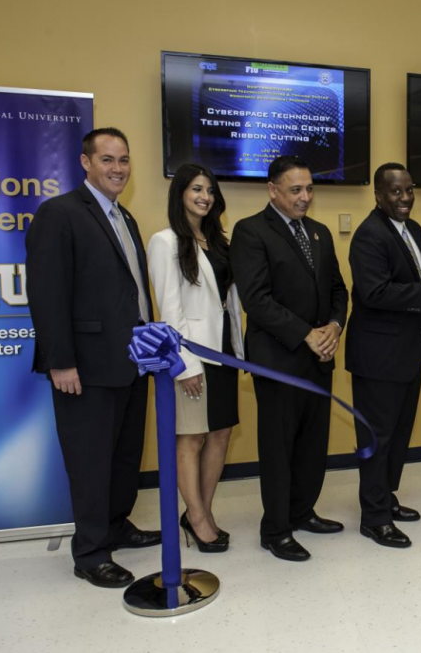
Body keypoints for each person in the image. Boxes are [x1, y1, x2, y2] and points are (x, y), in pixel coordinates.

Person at [25, 127, 160, 588]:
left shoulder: (126, 218)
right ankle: (90, 552)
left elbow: (131, 292)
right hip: (84, 367)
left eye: (124, 160)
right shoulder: (59, 213)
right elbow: (47, 295)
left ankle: (116, 524)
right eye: (107, 159)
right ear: (85, 163)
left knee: (124, 457)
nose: (118, 168)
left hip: (131, 362)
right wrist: (60, 361)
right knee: (90, 462)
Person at [229, 155, 348, 561]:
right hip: (278, 359)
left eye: (309, 188)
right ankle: (276, 529)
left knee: (313, 443)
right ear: (273, 190)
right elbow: (256, 300)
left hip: (320, 357)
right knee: (278, 447)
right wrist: (305, 334)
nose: (305, 197)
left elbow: (338, 291)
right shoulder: (250, 231)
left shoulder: (319, 233)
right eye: (295, 190)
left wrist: (333, 326)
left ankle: (302, 512)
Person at [346, 162, 421, 548]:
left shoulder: (413, 229)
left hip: (406, 353)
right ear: (378, 195)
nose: (405, 197)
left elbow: (418, 278)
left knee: (398, 435)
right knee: (377, 438)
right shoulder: (368, 236)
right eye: (395, 191)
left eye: (409, 189)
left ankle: (386, 498)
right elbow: (375, 293)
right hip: (378, 357)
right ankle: (374, 519)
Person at [147, 163, 244, 553]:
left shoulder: (218, 242)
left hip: (225, 352)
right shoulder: (165, 242)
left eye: (210, 190)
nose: (205, 197)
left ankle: (200, 510)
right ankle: (198, 518)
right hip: (192, 356)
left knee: (219, 434)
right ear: (181, 195)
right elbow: (169, 311)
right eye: (196, 189)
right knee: (191, 438)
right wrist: (184, 365)